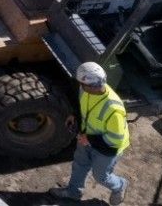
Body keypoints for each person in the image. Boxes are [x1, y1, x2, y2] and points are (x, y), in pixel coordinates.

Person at [50, 62, 129, 205]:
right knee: (79, 164)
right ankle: (73, 192)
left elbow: (115, 140)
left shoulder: (113, 109)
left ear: (91, 85)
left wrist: (90, 140)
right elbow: (83, 107)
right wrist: (75, 115)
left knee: (101, 177)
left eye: (82, 84)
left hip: (108, 148)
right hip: (86, 137)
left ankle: (120, 185)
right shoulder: (85, 90)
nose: (80, 86)